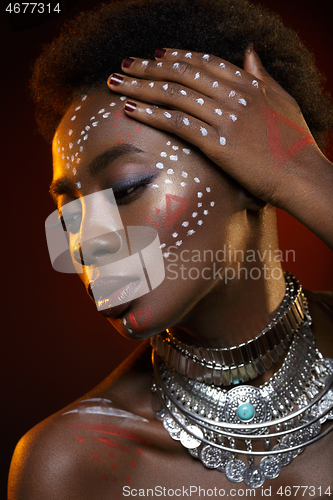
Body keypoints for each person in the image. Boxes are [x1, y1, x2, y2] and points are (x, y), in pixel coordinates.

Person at [8, 0, 333, 498]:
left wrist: (305, 172)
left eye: (125, 188)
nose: (86, 244)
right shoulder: (70, 465)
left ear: (253, 177)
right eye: (70, 211)